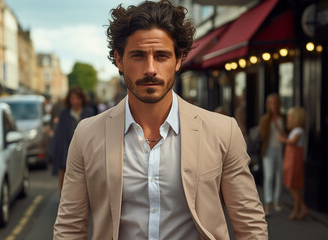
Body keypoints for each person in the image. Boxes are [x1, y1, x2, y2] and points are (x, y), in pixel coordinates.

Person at [53, 1, 267, 239]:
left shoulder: (222, 131)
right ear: (120, 60)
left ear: (178, 60)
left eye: (162, 56)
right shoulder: (87, 135)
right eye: (138, 56)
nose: (150, 69)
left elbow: (250, 225)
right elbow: (69, 228)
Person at [51, 86, 95, 191]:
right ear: (69, 100)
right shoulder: (64, 113)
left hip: (85, 149)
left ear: (82, 99)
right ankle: (63, 198)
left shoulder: (89, 112)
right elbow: (60, 134)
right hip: (66, 148)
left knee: (84, 176)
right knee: (64, 173)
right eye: (73, 98)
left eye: (78, 98)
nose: (75, 101)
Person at [278, 107, 309, 220]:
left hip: (294, 161)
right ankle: (303, 208)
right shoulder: (295, 131)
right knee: (292, 186)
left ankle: (297, 209)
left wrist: (283, 140)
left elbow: (293, 142)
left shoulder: (298, 131)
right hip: (291, 159)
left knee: (293, 185)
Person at [258, 93, 285, 216]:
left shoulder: (282, 117)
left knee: (279, 176)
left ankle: (276, 201)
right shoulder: (265, 118)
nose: (273, 105)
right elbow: (261, 135)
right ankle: (267, 203)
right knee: (269, 177)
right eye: (271, 102)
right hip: (268, 150)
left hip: (280, 150)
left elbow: (285, 134)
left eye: (275, 102)